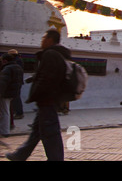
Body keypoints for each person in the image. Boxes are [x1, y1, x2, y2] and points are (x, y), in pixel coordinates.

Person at [6, 29, 70, 161]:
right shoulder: (58, 55)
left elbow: (48, 78)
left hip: (47, 99)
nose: (42, 41)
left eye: (44, 38)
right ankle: (21, 155)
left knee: (51, 134)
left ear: (50, 40)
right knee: (36, 132)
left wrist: (36, 93)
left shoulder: (51, 54)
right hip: (48, 100)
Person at [0, 53, 23, 136]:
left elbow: (3, 82)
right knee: (7, 110)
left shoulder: (7, 69)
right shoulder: (18, 67)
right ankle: (5, 129)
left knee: (4, 111)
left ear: (5, 61)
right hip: (14, 92)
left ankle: (4, 130)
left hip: (6, 93)